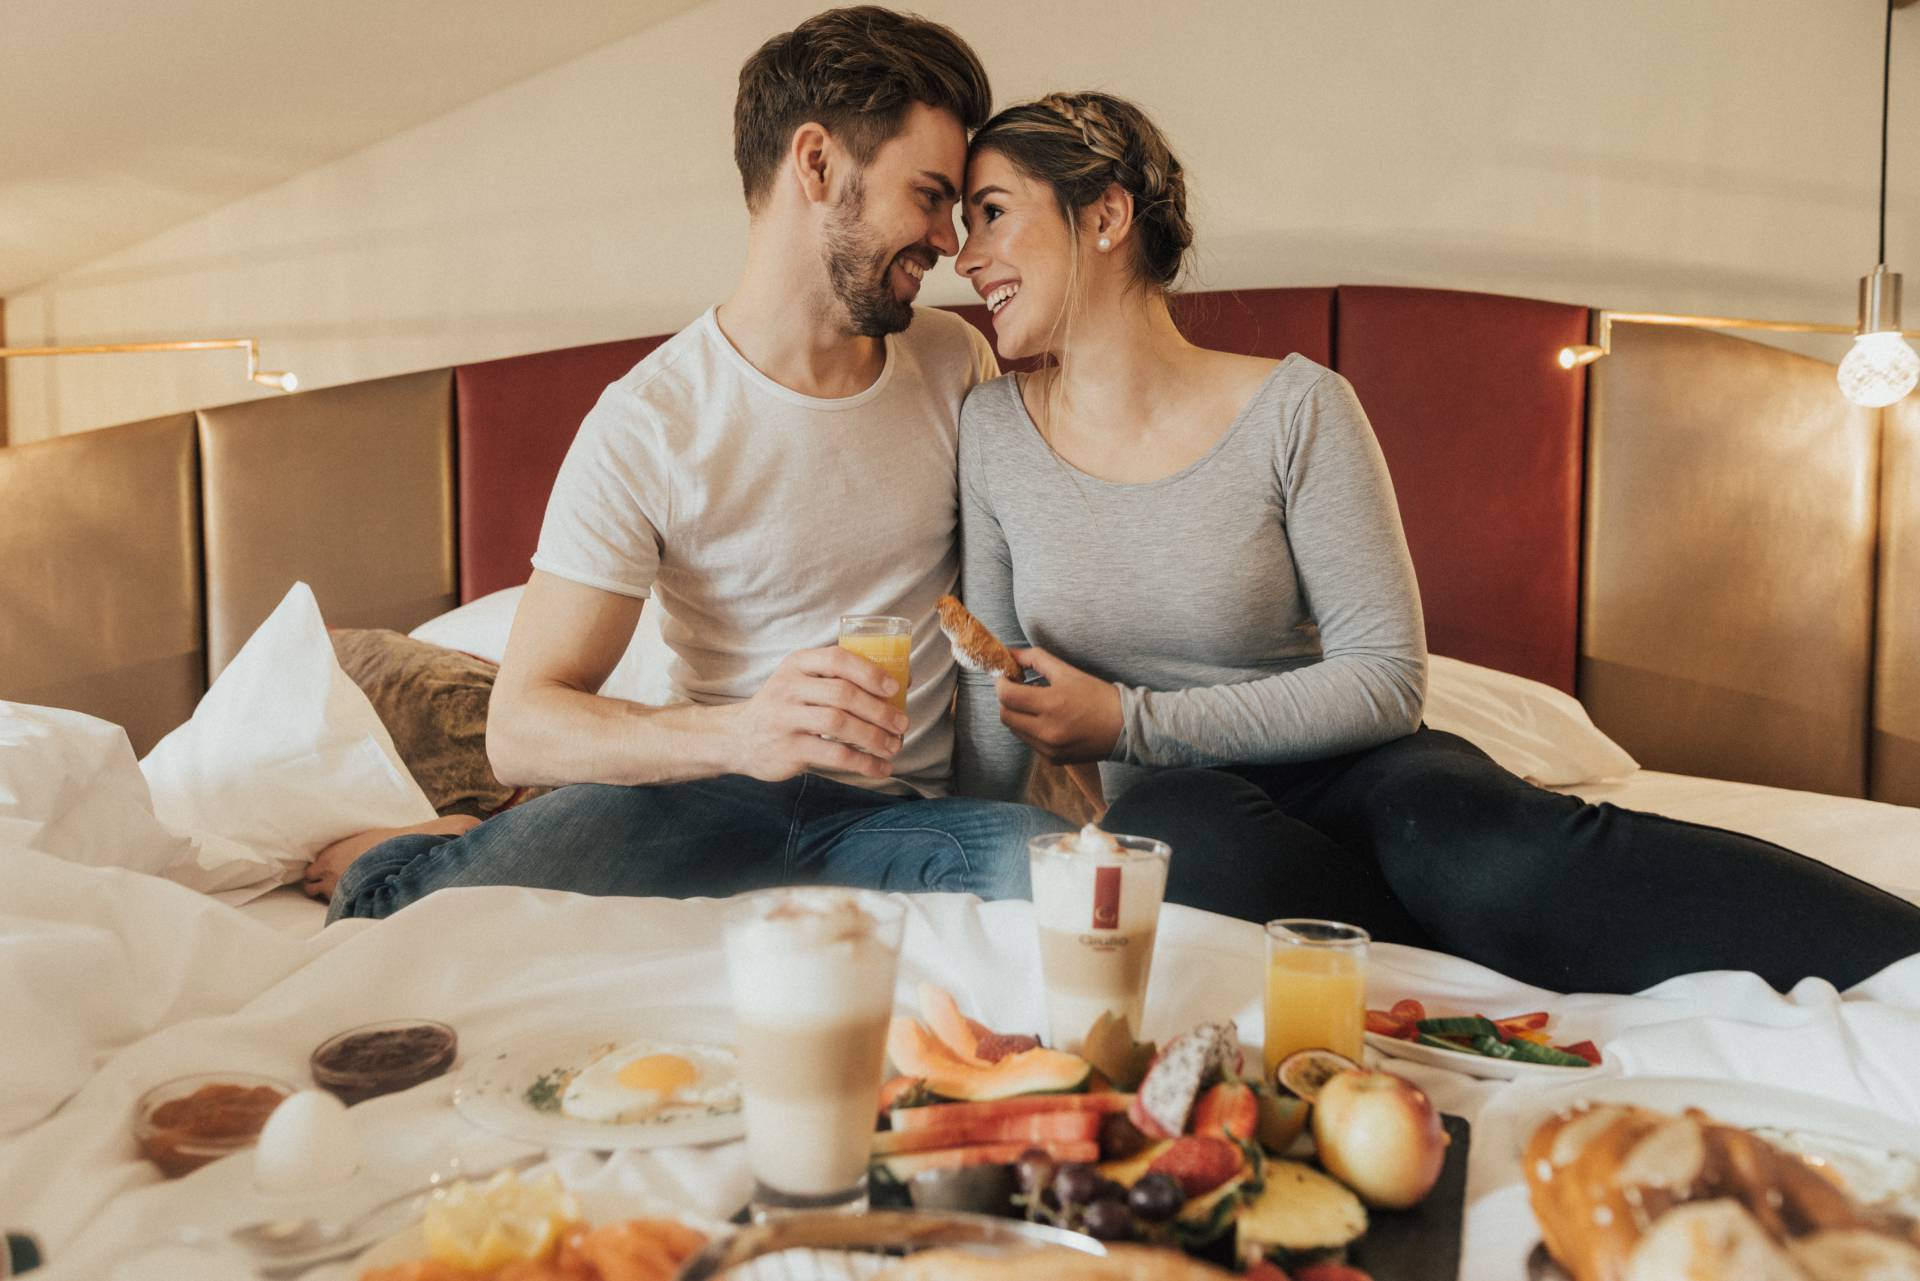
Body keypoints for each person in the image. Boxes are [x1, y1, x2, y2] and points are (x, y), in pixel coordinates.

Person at [948, 91, 1920, 993]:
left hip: (1369, 774)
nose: (966, 257)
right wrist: (973, 886)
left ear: (1107, 216)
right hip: (1191, 808)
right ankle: (1471, 954)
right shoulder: (992, 430)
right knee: (1169, 838)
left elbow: (1384, 679)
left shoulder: (1298, 408)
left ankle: (1898, 953)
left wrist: (1129, 722)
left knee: (1476, 848)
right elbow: (992, 705)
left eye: (991, 212)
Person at [318, 8, 1072, 922]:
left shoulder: (955, 364)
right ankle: (424, 847)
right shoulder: (652, 422)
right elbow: (521, 726)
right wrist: (745, 732)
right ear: (818, 163)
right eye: (927, 195)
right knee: (410, 911)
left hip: (892, 816)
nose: (950, 239)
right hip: (709, 794)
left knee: (1061, 880)